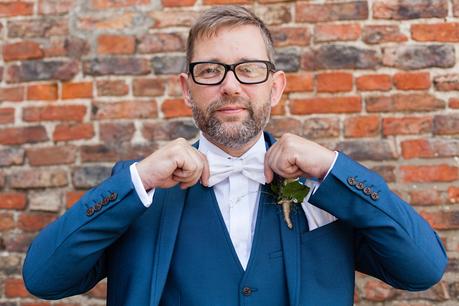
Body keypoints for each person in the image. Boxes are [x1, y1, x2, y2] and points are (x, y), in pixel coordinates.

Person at [23, 5, 447, 306]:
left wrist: (331, 168)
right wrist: (140, 178)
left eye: (249, 69)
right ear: (186, 89)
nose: (230, 86)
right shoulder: (139, 191)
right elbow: (43, 279)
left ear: (275, 86)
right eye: (211, 70)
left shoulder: (326, 187)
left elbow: (423, 269)